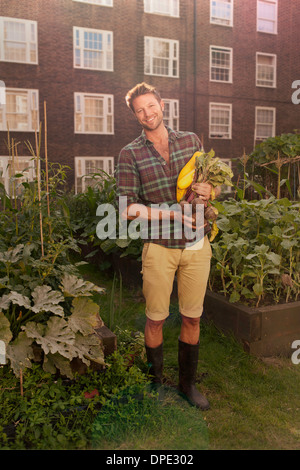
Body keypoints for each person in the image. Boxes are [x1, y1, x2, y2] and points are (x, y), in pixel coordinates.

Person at [116, 82, 220, 410]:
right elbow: (126, 207)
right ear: (135, 115)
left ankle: (187, 386)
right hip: (159, 245)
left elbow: (209, 182)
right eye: (140, 110)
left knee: (192, 317)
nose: (147, 113)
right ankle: (156, 386)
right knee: (156, 318)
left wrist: (209, 191)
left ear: (162, 104)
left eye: (151, 106)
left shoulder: (191, 141)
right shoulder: (130, 154)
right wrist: (172, 215)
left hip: (195, 244)